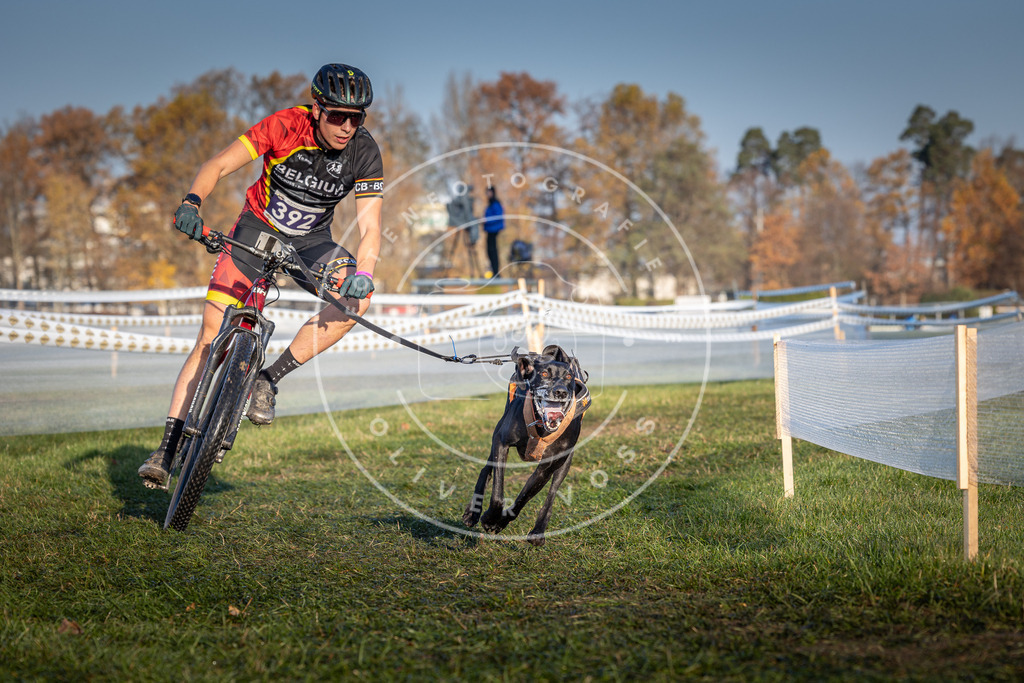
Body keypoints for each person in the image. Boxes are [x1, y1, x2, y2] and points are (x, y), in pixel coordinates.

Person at [138, 63, 384, 489]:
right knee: (209, 336)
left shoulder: (364, 152)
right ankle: (168, 445)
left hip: (310, 243)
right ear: (316, 108)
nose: (346, 127)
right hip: (256, 228)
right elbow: (217, 164)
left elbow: (371, 227)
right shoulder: (285, 125)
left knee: (356, 302)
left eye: (356, 118)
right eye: (337, 116)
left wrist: (364, 271)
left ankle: (269, 378)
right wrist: (192, 202)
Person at [482, 186, 505, 278]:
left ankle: (496, 272)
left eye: (489, 192)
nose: (487, 194)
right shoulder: (490, 204)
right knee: (489, 251)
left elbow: (497, 217)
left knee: (492, 250)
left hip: (493, 230)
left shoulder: (495, 204)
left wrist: (486, 220)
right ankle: (494, 271)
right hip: (489, 229)